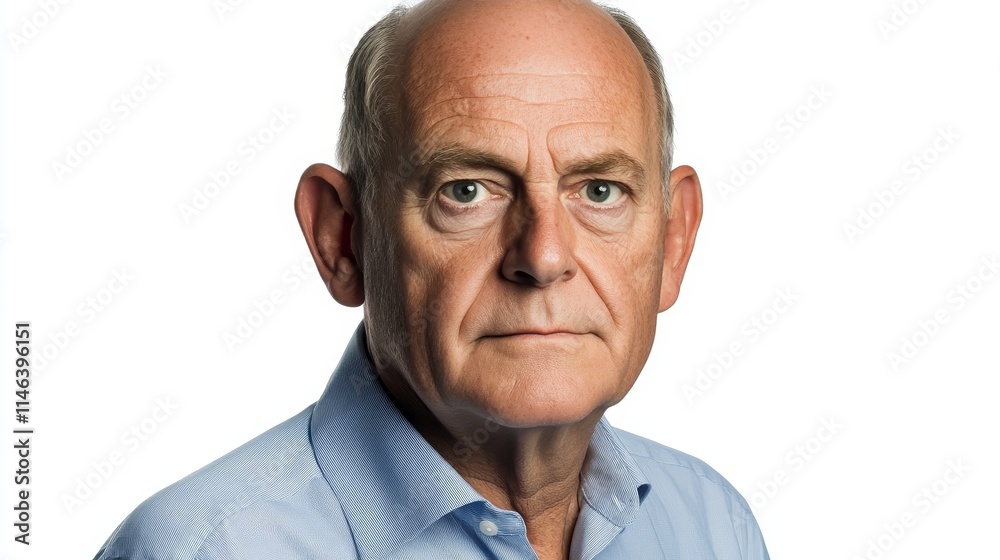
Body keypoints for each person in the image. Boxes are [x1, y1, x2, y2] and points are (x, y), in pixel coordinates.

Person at [94, 0, 770, 558]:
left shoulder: (714, 527)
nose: (543, 258)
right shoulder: (202, 549)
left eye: (600, 191)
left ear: (673, 242)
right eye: (466, 191)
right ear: (342, 240)